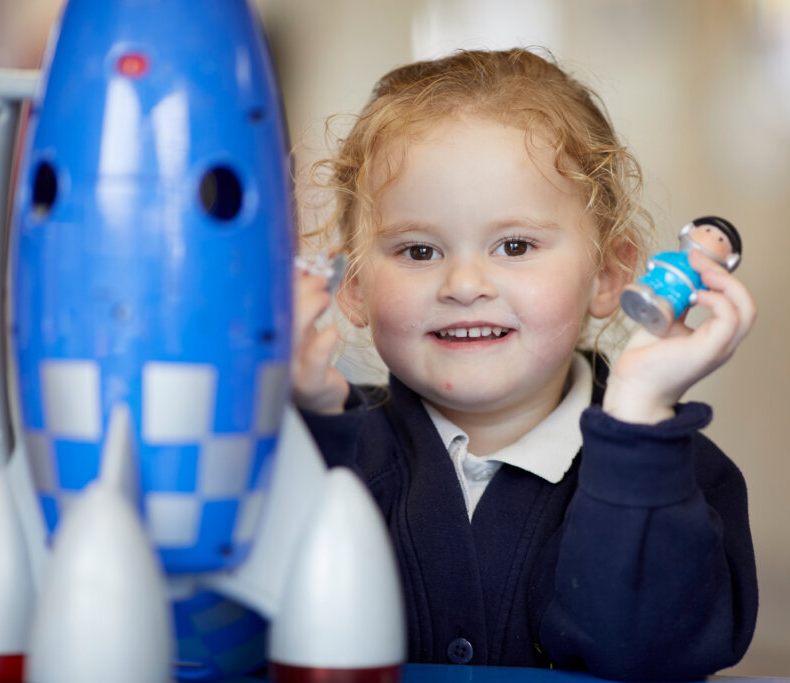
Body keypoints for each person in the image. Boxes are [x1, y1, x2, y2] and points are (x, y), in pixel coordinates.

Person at [291, 48, 758, 681]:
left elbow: (651, 654)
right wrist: (303, 424)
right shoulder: (321, 440)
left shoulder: (675, 469)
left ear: (610, 273)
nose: (463, 283)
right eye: (419, 250)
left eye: (514, 245)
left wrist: (639, 411)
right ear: (352, 287)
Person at [620, 216, 743, 336]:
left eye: (721, 240)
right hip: (655, 278)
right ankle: (639, 292)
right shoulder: (672, 256)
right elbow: (660, 258)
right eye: (708, 230)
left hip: (677, 295)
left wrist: (695, 296)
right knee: (647, 285)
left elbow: (701, 291)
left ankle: (664, 310)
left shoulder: (703, 278)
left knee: (669, 304)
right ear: (687, 230)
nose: (711, 237)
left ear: (731, 261)